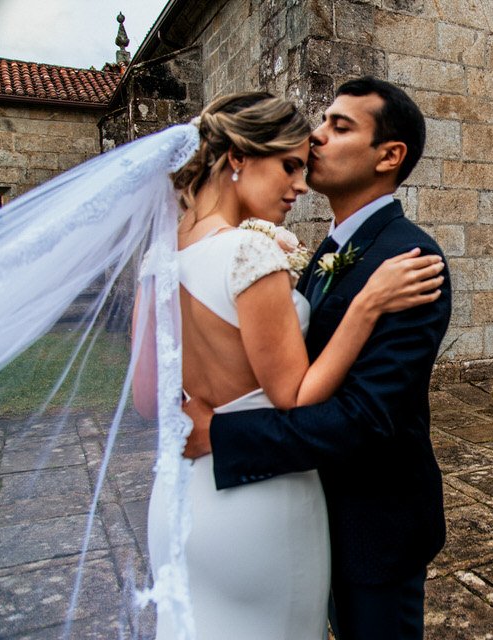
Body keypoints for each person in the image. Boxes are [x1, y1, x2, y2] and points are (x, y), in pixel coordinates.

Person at [136, 92, 444, 639]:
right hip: (274, 505)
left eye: (339, 126)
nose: (318, 136)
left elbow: (367, 417)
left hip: (369, 528)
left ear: (389, 155)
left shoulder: (410, 261)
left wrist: (223, 432)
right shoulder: (300, 252)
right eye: (316, 126)